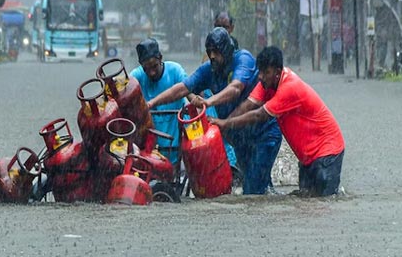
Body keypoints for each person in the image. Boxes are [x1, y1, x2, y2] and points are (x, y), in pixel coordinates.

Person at [146, 27, 282, 194]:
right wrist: (151, 103)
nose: (212, 56)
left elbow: (236, 88)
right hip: (239, 138)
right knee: (258, 185)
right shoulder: (209, 70)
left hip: (264, 133)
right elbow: (181, 88)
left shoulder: (243, 59)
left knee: (252, 189)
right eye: (209, 51)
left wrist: (208, 102)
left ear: (226, 49)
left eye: (216, 51)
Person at [206, 46, 346, 197]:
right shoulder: (267, 84)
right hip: (308, 157)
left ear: (278, 72)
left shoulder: (289, 88)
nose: (260, 77)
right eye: (260, 71)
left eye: (266, 72)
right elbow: (248, 105)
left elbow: (259, 115)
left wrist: (225, 124)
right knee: (306, 202)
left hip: (327, 153)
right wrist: (224, 123)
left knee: (323, 203)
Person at [128, 37, 187, 163]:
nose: (152, 72)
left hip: (177, 147)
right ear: (141, 65)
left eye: (154, 66)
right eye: (146, 69)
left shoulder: (175, 71)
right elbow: (124, 89)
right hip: (149, 152)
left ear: (160, 58)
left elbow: (190, 91)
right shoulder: (137, 76)